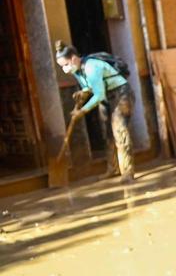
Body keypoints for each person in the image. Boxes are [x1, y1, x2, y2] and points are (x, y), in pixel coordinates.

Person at [55, 43, 135, 183]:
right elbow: (89, 87)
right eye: (62, 66)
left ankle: (127, 172)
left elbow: (98, 94)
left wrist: (82, 111)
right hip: (106, 98)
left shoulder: (92, 67)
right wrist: (83, 92)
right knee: (107, 134)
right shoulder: (77, 71)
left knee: (120, 132)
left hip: (121, 94)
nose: (65, 69)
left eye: (66, 64)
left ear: (74, 59)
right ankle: (113, 168)